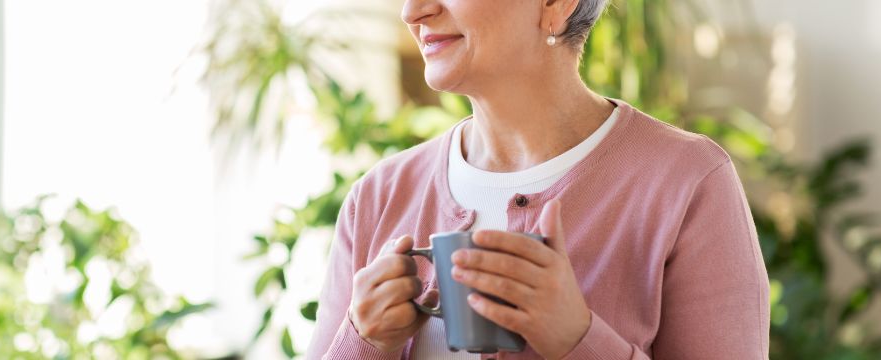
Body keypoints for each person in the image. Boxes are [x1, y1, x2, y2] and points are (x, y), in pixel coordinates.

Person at [306, 0, 770, 359]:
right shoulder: (378, 194)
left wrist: (576, 339)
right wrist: (361, 342)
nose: (413, 11)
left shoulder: (688, 182)